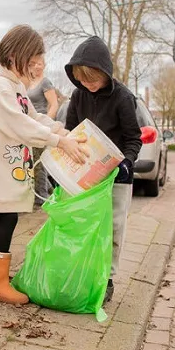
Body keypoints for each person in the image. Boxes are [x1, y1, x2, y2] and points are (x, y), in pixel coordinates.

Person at [0, 25, 89, 305]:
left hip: (5, 165)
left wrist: (59, 131)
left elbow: (32, 117)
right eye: (31, 60)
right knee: (7, 217)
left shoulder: (13, 85)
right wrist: (57, 141)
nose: (34, 67)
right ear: (17, 54)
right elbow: (19, 124)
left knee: (1, 218)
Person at [64, 36, 142, 303]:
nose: (88, 85)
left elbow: (134, 138)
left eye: (93, 80)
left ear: (105, 73)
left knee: (114, 227)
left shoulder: (123, 98)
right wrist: (64, 171)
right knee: (84, 224)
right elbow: (70, 133)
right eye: (82, 80)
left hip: (117, 175)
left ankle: (106, 278)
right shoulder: (78, 95)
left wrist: (127, 163)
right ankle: (84, 270)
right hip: (86, 172)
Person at [26, 57, 59, 204]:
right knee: (31, 161)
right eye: (33, 64)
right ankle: (51, 192)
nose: (37, 67)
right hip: (27, 126)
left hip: (40, 125)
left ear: (44, 65)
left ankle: (42, 198)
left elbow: (54, 105)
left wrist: (46, 126)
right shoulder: (27, 83)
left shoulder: (45, 83)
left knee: (39, 163)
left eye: (40, 64)